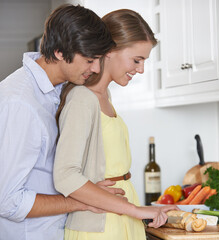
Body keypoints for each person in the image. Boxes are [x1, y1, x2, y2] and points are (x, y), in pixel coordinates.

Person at [0, 4, 123, 240]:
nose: (96, 68)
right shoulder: (19, 102)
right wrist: (80, 201)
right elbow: (9, 202)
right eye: (89, 60)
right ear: (59, 51)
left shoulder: (55, 92)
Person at [53, 9, 177, 240]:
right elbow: (65, 175)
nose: (140, 69)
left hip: (122, 217)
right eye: (136, 60)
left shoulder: (105, 95)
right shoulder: (82, 98)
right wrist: (137, 210)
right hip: (99, 225)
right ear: (110, 51)